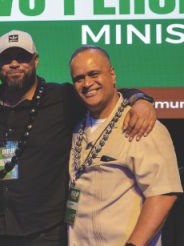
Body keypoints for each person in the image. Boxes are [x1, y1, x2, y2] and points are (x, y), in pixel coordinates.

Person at [0, 30, 157, 245]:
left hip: (46, 232)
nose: (14, 64)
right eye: (7, 59)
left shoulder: (61, 98)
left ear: (35, 61)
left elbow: (105, 93)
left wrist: (141, 100)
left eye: (22, 57)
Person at [66, 45, 182, 246]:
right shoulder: (75, 125)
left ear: (112, 74)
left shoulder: (142, 125)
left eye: (94, 74)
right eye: (79, 78)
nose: (87, 83)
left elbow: (163, 195)